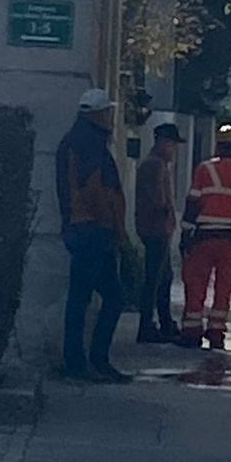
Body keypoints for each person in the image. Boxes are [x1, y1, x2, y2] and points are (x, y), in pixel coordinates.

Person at [52, 88, 130, 380]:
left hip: (85, 230)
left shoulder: (77, 141)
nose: (110, 116)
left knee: (88, 298)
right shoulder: (88, 145)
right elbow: (94, 190)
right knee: (101, 297)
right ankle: (86, 363)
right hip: (92, 231)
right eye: (107, 111)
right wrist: (114, 225)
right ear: (96, 114)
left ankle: (87, 361)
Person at [179, 122, 231, 350]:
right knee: (224, 290)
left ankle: (191, 331)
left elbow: (192, 203)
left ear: (217, 146)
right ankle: (216, 332)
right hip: (230, 242)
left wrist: (185, 235)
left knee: (196, 285)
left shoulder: (204, 169)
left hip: (203, 239)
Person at [133, 116, 188, 343]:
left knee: (164, 277)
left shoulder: (156, 163)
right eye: (173, 144)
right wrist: (167, 213)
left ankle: (165, 323)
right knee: (155, 279)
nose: (175, 149)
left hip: (156, 228)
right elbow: (157, 198)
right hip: (155, 228)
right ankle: (147, 326)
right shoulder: (155, 164)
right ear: (163, 142)